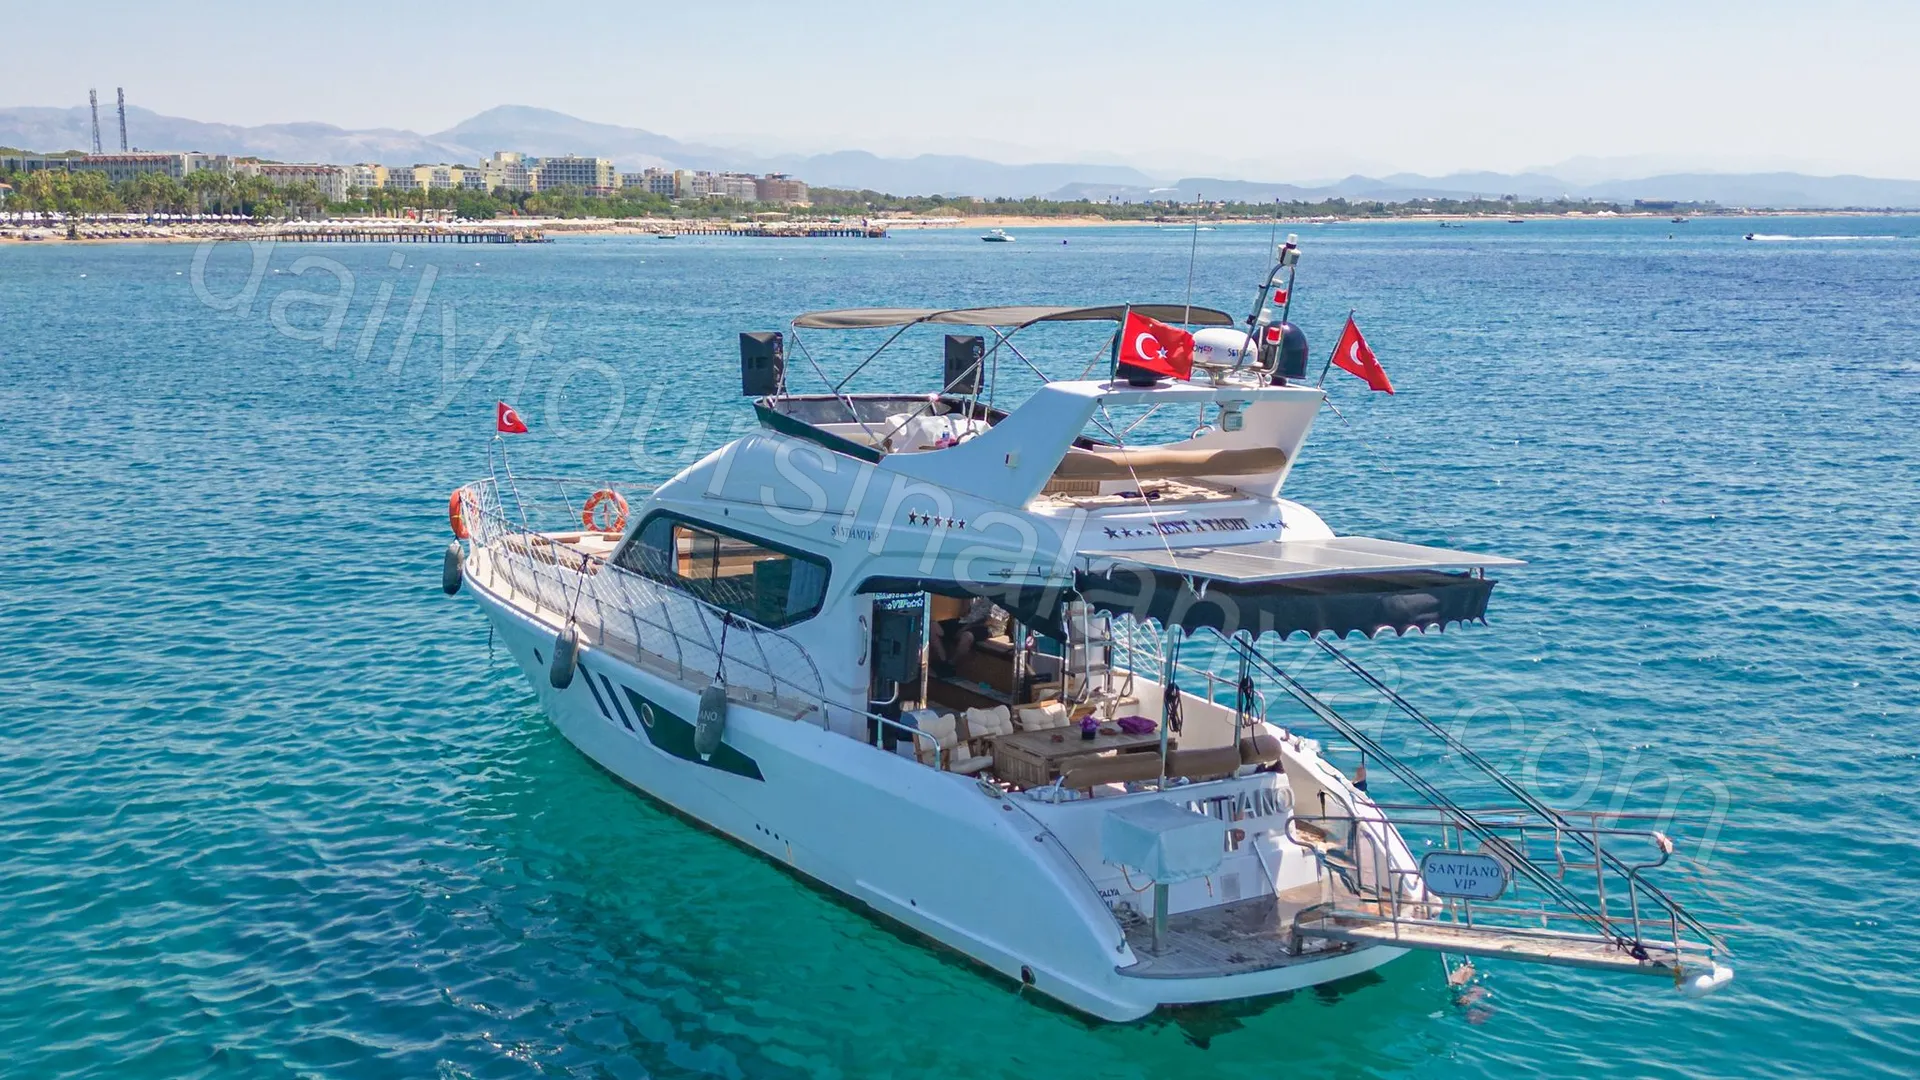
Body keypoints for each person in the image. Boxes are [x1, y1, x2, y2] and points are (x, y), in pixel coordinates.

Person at [931, 595, 995, 678]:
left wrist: (964, 628)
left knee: (967, 636)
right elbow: (968, 611)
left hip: (988, 627)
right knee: (933, 625)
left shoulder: (1000, 595)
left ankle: (951, 664)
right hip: (966, 620)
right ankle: (943, 661)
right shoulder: (978, 592)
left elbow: (989, 620)